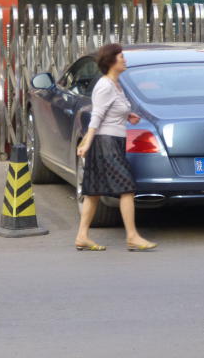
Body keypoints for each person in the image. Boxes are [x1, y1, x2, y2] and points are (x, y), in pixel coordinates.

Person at [75, 43, 157, 252]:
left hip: (113, 141)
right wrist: (87, 142)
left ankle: (82, 236)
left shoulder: (116, 84)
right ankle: (132, 236)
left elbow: (112, 109)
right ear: (111, 61)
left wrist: (127, 115)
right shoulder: (105, 85)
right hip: (106, 142)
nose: (124, 59)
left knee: (93, 192)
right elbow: (97, 116)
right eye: (121, 57)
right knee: (127, 188)